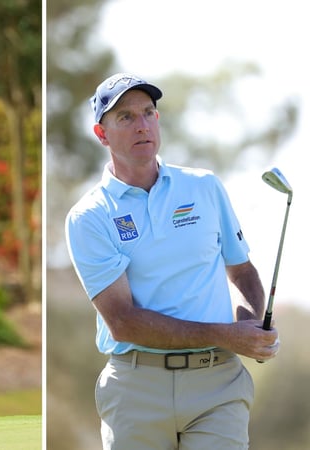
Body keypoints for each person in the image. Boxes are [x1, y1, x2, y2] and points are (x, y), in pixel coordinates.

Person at [65, 72, 281, 449]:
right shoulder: (90, 216)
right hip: (136, 389)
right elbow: (123, 322)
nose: (141, 125)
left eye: (148, 112)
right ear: (102, 134)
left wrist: (251, 328)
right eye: (125, 117)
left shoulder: (204, 187)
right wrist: (228, 334)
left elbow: (242, 271)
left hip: (218, 384)